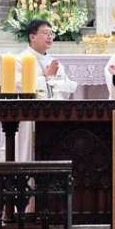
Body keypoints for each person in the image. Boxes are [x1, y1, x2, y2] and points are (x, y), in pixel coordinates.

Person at [14, 19, 77, 161]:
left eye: (51, 33)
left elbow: (67, 89)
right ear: (32, 37)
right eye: (45, 33)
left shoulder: (53, 62)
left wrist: (53, 82)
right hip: (30, 118)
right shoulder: (20, 60)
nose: (50, 37)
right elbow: (22, 88)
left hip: (55, 116)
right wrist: (47, 78)